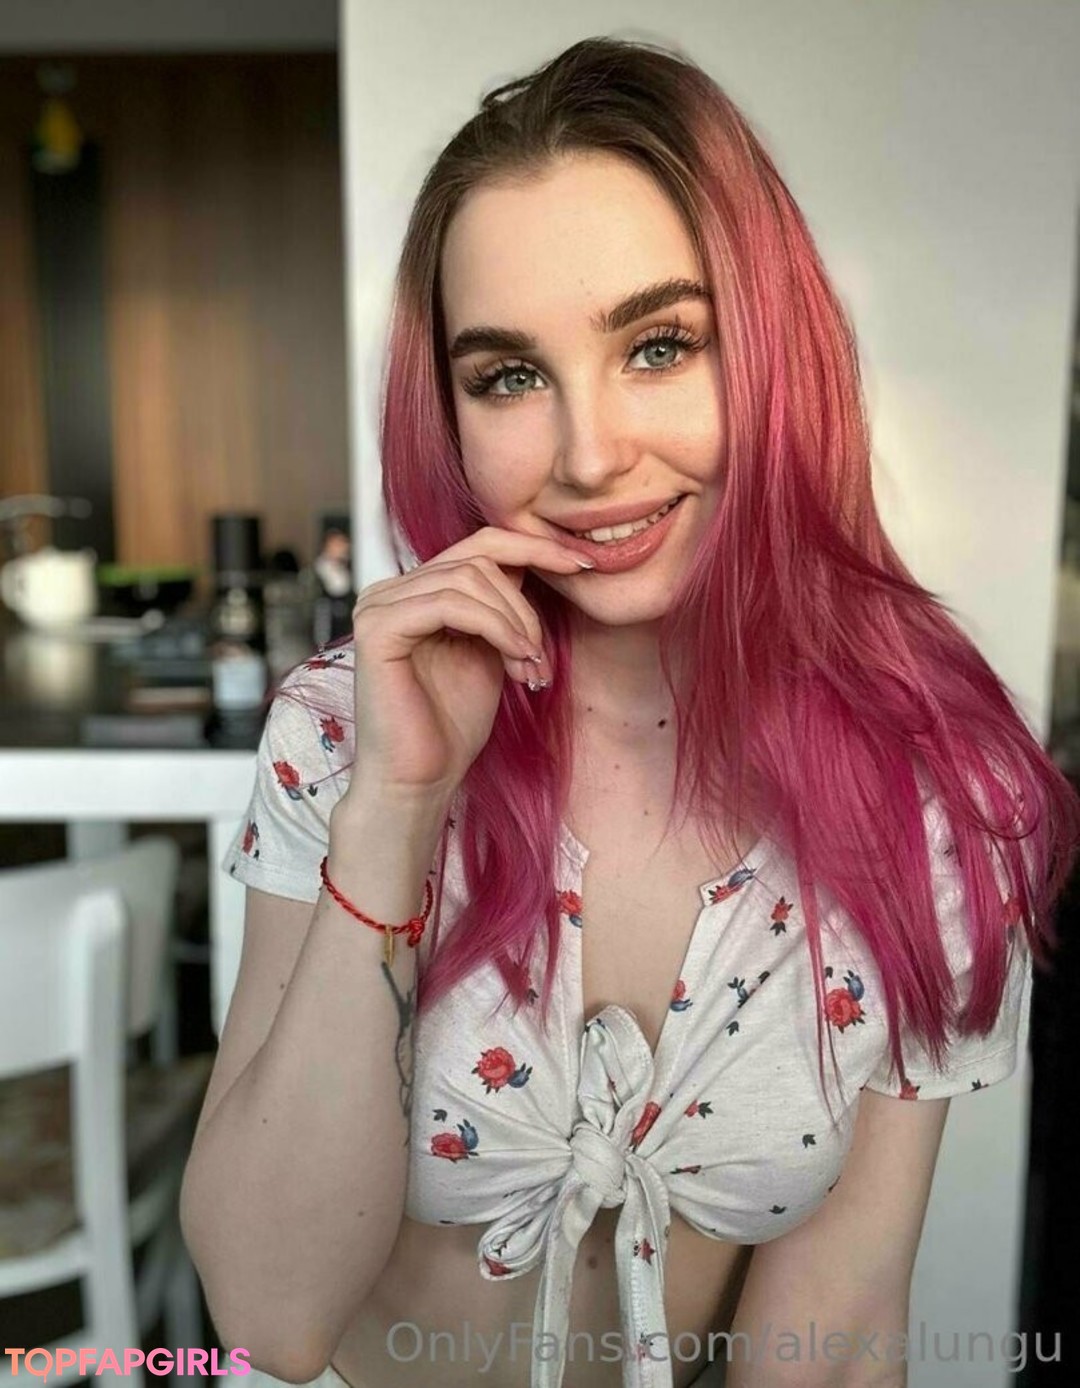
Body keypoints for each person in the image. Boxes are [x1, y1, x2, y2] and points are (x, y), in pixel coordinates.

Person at [179, 35, 1080, 1388]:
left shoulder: (935, 789)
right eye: (509, 376)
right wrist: (396, 816)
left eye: (660, 346)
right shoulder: (346, 733)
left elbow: (836, 1332)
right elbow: (272, 1313)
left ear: (773, 356)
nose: (592, 457)